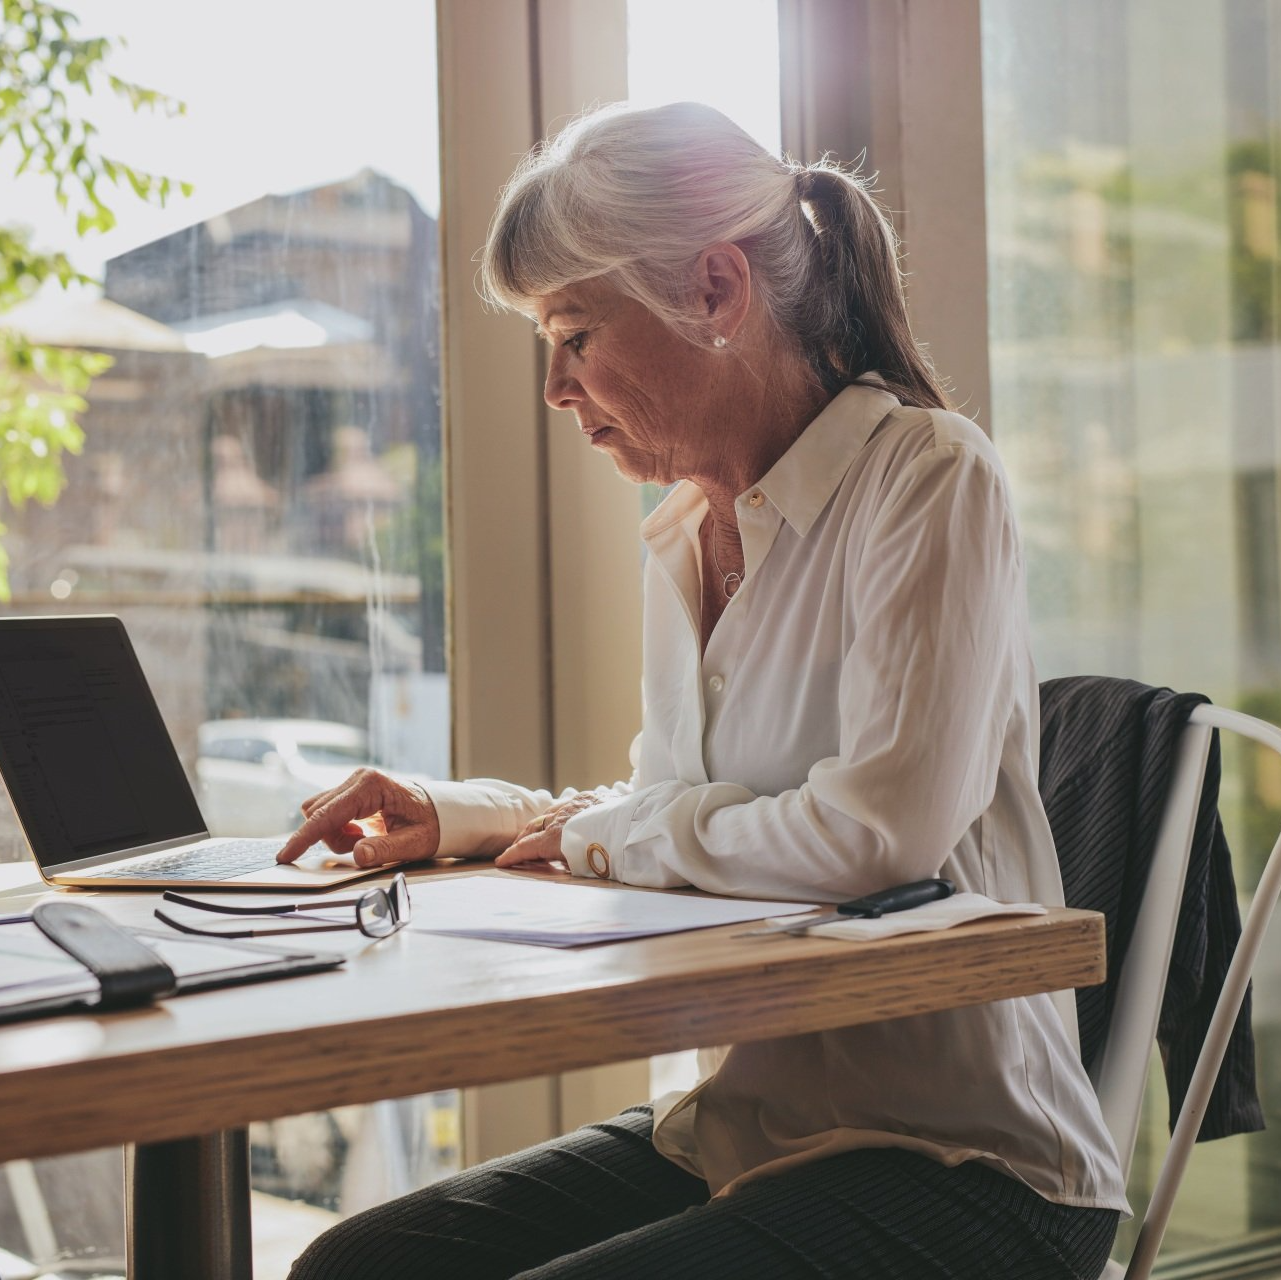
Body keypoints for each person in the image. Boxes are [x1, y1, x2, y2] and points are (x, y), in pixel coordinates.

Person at [283, 101, 1128, 1280]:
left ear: (717, 292)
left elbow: (878, 835)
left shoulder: (926, 478)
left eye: (574, 332)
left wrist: (602, 838)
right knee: (359, 1264)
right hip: (749, 1128)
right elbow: (689, 812)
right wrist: (470, 816)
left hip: (969, 1167)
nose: (555, 388)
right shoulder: (685, 532)